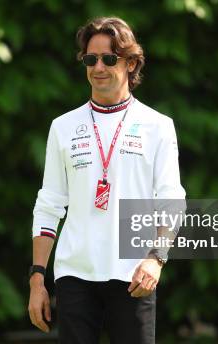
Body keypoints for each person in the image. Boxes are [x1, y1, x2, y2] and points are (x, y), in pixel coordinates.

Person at [28, 16, 186, 344]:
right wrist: (37, 279)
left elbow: (171, 200)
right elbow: (49, 205)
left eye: (109, 58)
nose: (98, 67)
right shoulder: (63, 127)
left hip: (133, 273)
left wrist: (156, 259)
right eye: (90, 59)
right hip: (74, 274)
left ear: (130, 62)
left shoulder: (158, 126)